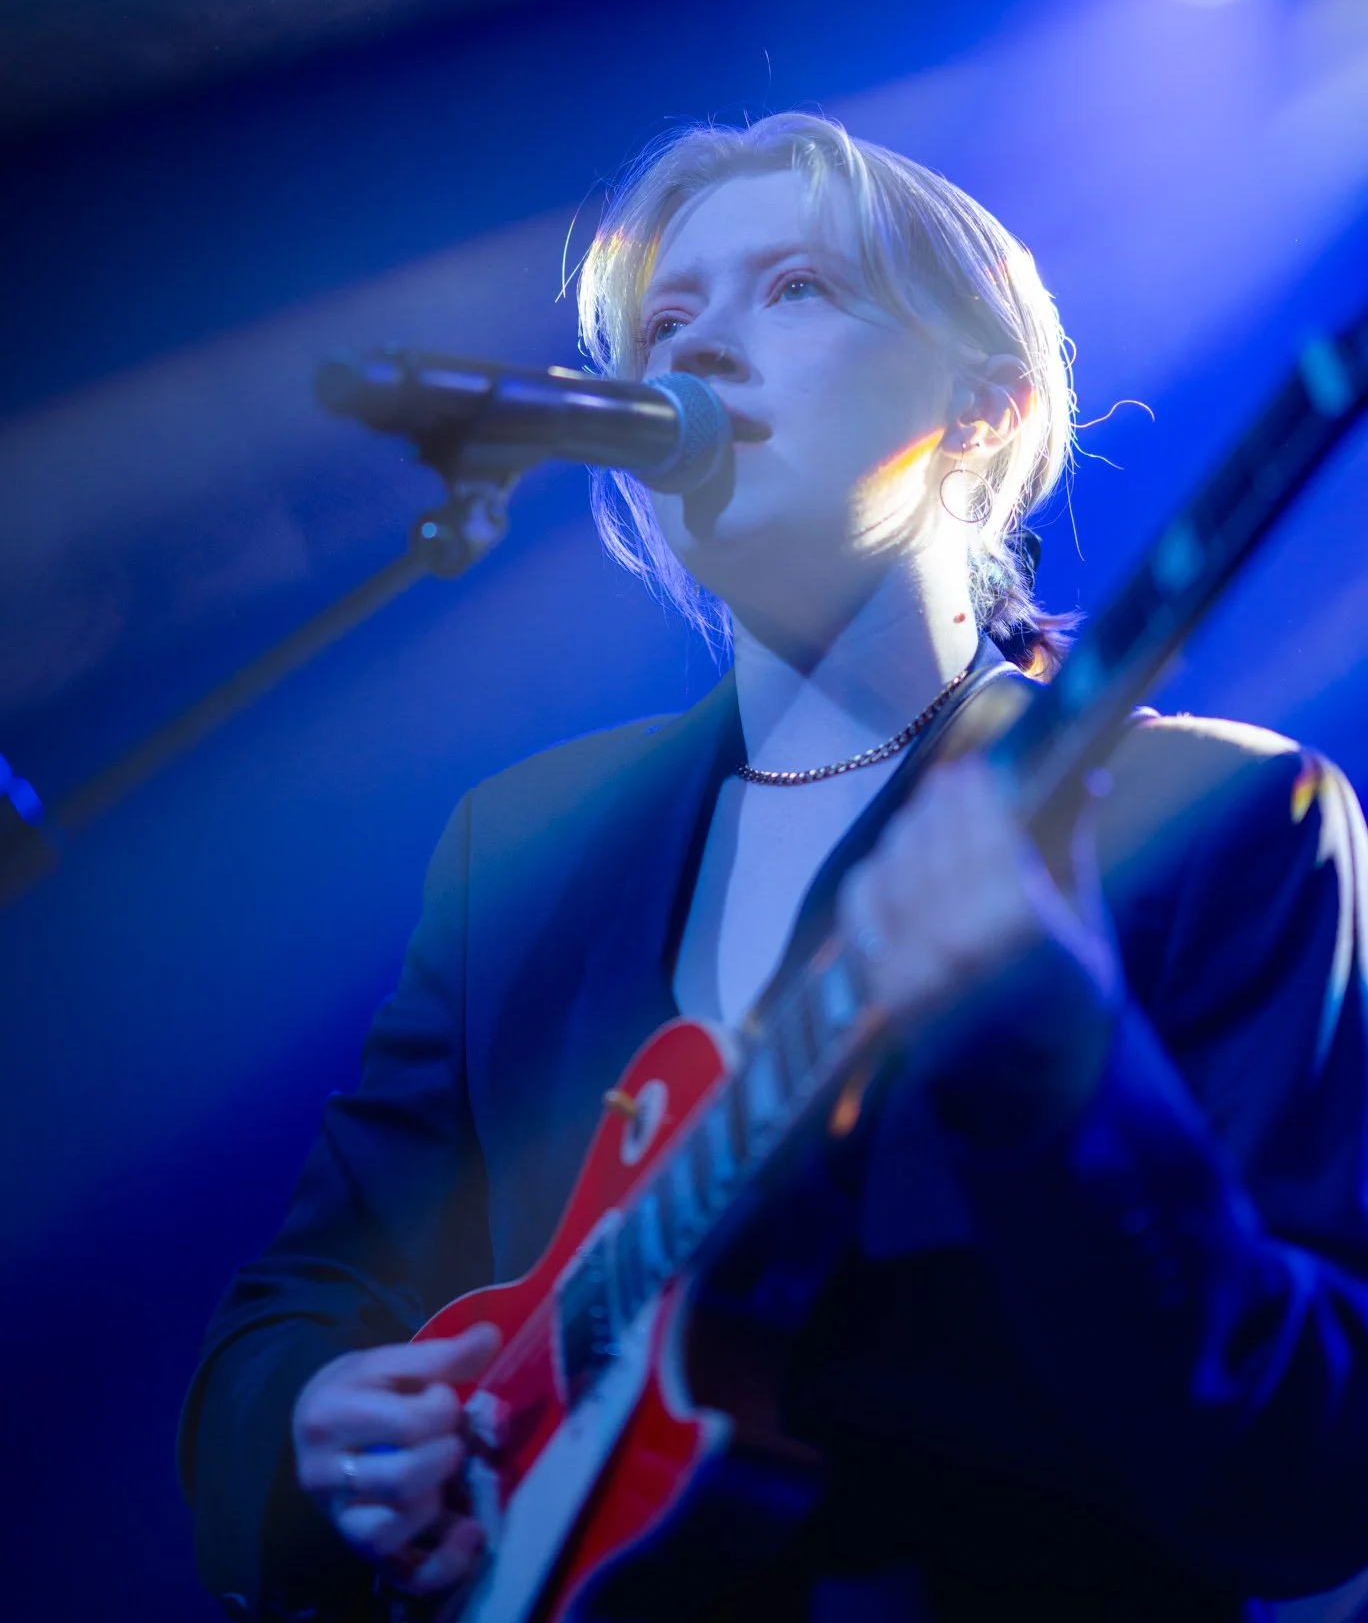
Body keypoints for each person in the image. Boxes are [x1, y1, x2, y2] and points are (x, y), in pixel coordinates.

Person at [179, 114, 1368, 1623]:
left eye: (793, 290)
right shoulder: (526, 855)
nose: (704, 354)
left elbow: (1313, 1473)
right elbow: (290, 1309)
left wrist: (1064, 1078)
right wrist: (313, 1428)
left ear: (985, 404)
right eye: (667, 322)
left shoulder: (1217, 822)